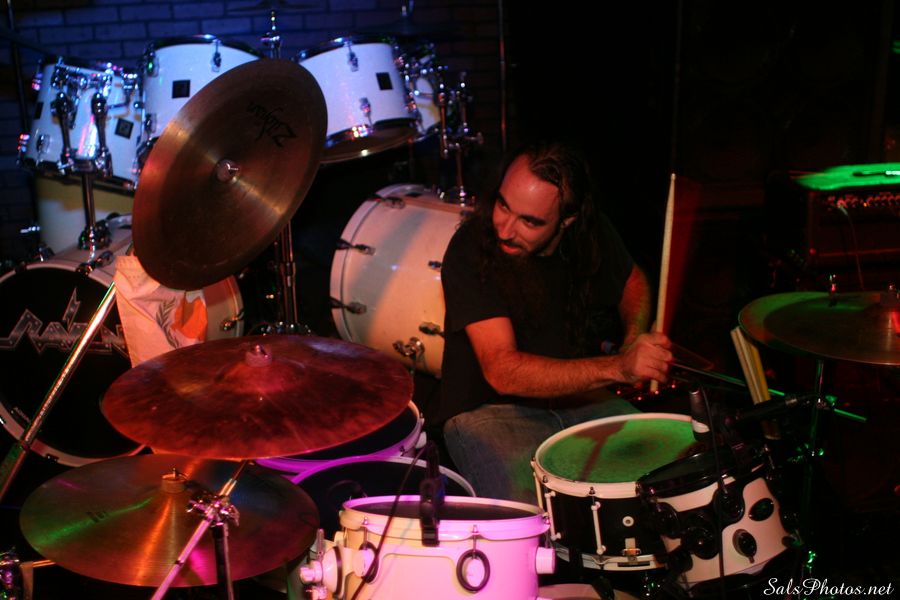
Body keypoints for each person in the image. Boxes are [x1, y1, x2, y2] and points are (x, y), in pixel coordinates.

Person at [434, 140, 674, 503]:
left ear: (567, 221)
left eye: (529, 221)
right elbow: (502, 370)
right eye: (503, 205)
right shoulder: (470, 247)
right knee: (527, 521)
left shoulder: (589, 233)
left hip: (581, 401)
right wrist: (620, 366)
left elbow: (632, 281)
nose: (505, 228)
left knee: (661, 483)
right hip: (488, 413)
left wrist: (632, 338)